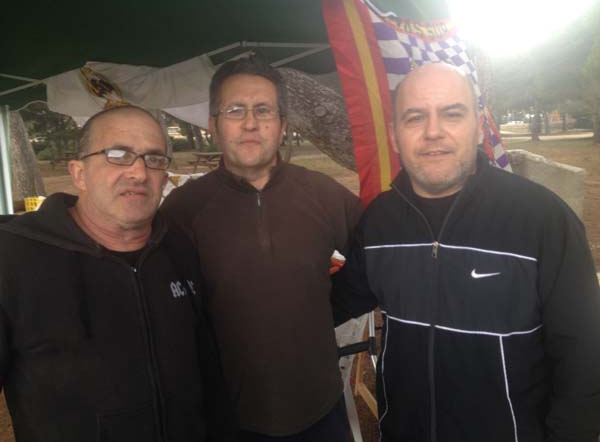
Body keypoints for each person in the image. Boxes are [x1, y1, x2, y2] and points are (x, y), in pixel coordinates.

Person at [332, 62, 600, 442]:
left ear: (478, 126)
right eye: (415, 117)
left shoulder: (543, 219)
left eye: (452, 114)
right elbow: (333, 303)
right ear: (394, 135)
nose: (433, 132)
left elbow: (584, 359)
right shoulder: (379, 222)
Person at [0, 106, 232, 442]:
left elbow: (206, 368)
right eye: (118, 155)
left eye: (154, 158)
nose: (139, 172)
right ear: (79, 173)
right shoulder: (13, 258)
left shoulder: (181, 247)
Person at [161, 56, 362, 441]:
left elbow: (373, 263)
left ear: (283, 125)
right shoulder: (182, 210)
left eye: (263, 110)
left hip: (320, 408)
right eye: (235, 110)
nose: (250, 123)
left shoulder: (323, 194)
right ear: (213, 125)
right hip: (227, 416)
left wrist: (323, 305)